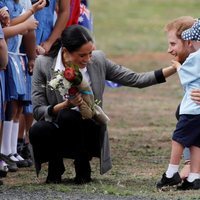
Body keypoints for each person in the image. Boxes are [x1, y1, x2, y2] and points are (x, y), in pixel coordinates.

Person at [29, 24, 176, 184]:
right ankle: (55, 166)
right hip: (58, 126)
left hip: (89, 127)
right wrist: (65, 105)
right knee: (40, 128)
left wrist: (174, 68)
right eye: (82, 55)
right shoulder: (43, 64)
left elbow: (136, 79)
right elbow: (38, 110)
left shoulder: (98, 60)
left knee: (70, 117)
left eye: (90, 54)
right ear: (65, 51)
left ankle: (83, 164)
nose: (87, 59)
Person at [156, 16, 200, 190]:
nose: (169, 50)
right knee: (195, 140)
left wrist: (178, 67)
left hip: (192, 111)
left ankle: (171, 173)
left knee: (179, 138)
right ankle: (194, 175)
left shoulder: (194, 59)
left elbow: (184, 77)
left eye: (173, 44)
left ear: (190, 42)